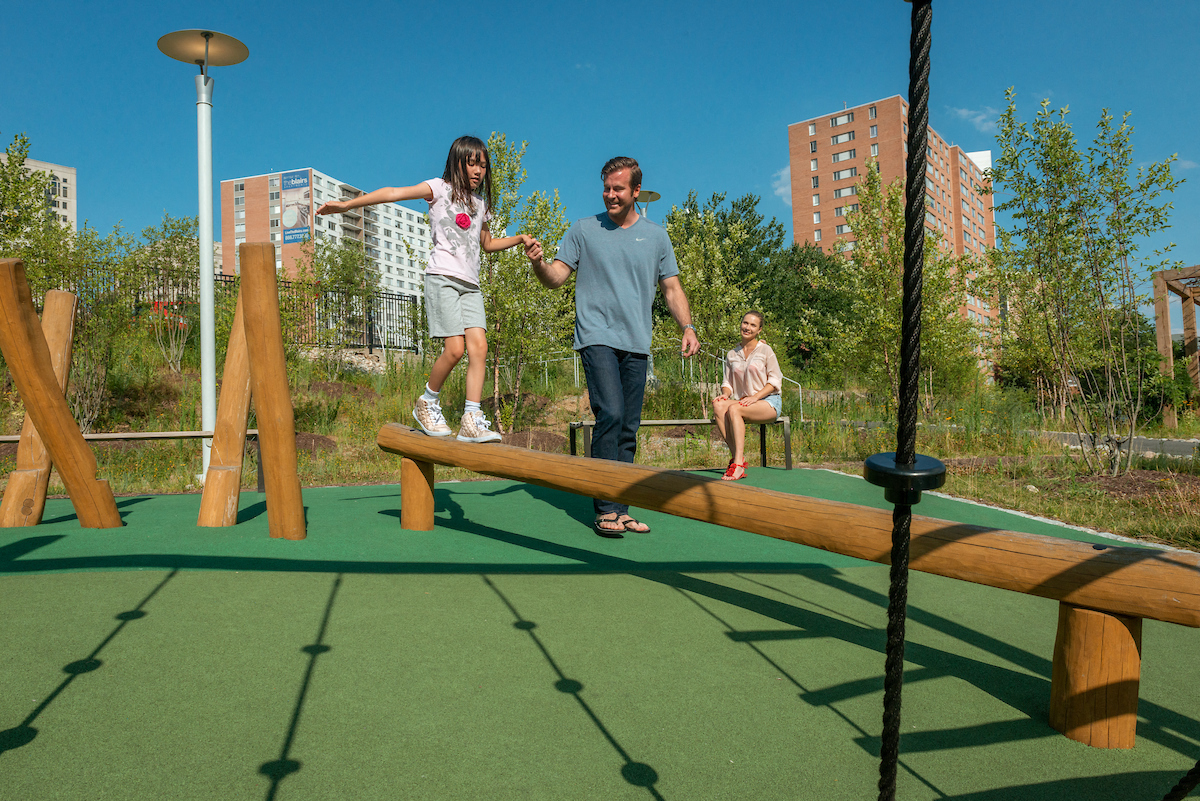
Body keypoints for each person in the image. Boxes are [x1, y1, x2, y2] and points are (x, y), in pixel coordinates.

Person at [524, 156, 699, 537]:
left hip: (637, 341)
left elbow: (671, 288)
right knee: (612, 414)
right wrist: (539, 262)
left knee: (629, 428)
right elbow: (555, 277)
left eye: (618, 188)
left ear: (636, 191)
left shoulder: (656, 236)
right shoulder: (583, 230)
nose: (610, 195)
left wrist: (687, 326)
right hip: (596, 336)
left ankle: (621, 509)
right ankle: (605, 507)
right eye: (606, 188)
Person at [316, 136, 531, 443]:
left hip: (471, 285)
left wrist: (520, 239)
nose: (478, 171)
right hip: (442, 277)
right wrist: (349, 204)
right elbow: (393, 192)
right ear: (457, 163)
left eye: (483, 166)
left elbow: (488, 244)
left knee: (479, 348)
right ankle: (427, 401)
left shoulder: (481, 205)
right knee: (456, 349)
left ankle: (471, 417)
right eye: (472, 163)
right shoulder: (439, 189)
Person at [712, 311, 783, 481]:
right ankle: (738, 457)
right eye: (745, 323)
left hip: (768, 402)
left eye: (753, 325)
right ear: (741, 324)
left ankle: (737, 465)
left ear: (759, 330)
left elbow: (775, 380)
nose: (747, 327)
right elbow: (727, 383)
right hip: (744, 402)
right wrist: (725, 394)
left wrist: (756, 397)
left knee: (735, 409)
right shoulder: (731, 354)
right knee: (719, 405)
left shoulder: (765, 350)